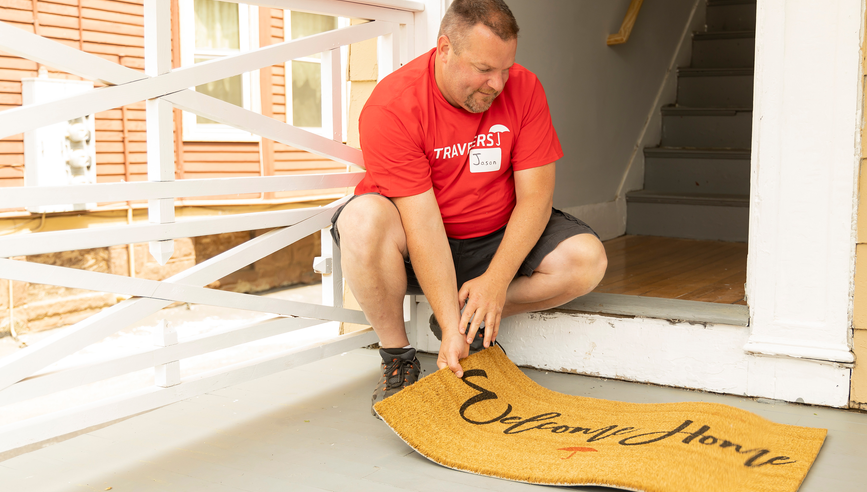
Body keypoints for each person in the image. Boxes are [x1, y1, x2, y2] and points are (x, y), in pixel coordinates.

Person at [329, 0, 608, 416]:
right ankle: (397, 357)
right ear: (444, 49)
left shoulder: (525, 88)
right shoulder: (393, 106)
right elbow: (422, 224)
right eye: (483, 70)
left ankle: (465, 320)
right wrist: (444, 300)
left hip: (494, 237)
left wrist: (496, 282)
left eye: (505, 69)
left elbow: (536, 197)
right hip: (417, 241)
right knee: (361, 219)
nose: (497, 84)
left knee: (587, 262)